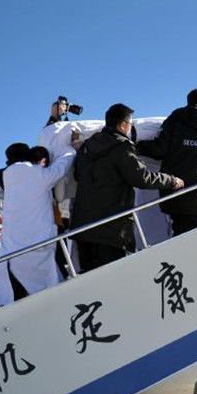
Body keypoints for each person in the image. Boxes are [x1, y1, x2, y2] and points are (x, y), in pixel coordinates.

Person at [72, 103, 185, 271]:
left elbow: (77, 175)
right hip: (110, 230)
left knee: (89, 281)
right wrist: (171, 180)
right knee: (112, 280)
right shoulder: (121, 147)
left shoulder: (87, 147)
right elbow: (141, 177)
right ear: (123, 125)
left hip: (83, 228)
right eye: (130, 124)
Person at [0, 142, 78, 306]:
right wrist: (69, 148)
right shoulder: (36, 174)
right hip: (38, 251)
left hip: (9, 257)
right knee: (55, 297)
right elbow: (61, 167)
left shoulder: (7, 178)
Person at [138, 88, 197, 236]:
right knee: (195, 236)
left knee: (179, 234)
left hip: (175, 191)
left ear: (188, 103)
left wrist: (137, 146)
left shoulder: (176, 120)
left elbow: (159, 150)